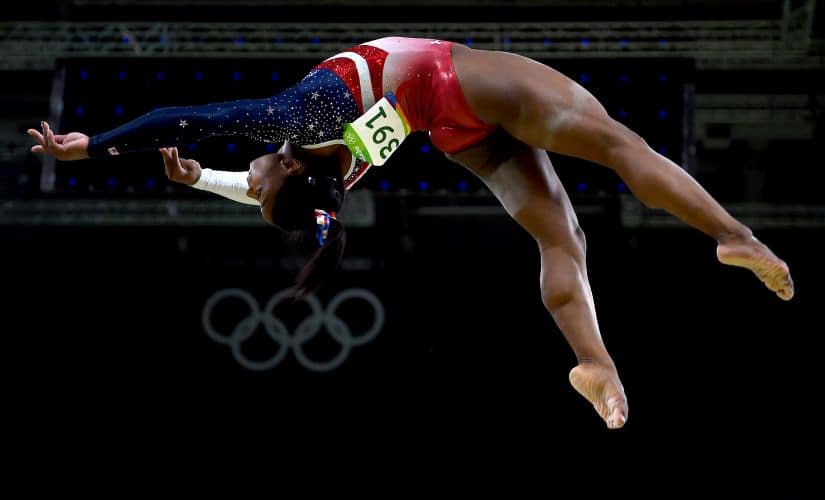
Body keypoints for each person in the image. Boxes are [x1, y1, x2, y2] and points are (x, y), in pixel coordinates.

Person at [27, 36, 795, 430]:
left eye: (251, 183)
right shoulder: (302, 121)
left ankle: (594, 364)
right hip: (464, 82)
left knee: (560, 240)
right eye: (257, 180)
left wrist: (201, 180)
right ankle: (735, 237)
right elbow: (185, 117)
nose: (249, 174)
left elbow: (279, 199)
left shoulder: (339, 172)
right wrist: (92, 148)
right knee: (622, 146)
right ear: (287, 168)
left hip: (455, 132)